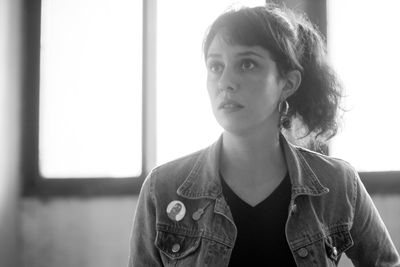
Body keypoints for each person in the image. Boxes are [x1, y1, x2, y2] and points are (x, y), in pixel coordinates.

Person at [129, 3, 400, 266]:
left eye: (247, 64)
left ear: (288, 82)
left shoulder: (338, 184)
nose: (225, 82)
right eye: (215, 66)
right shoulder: (162, 188)